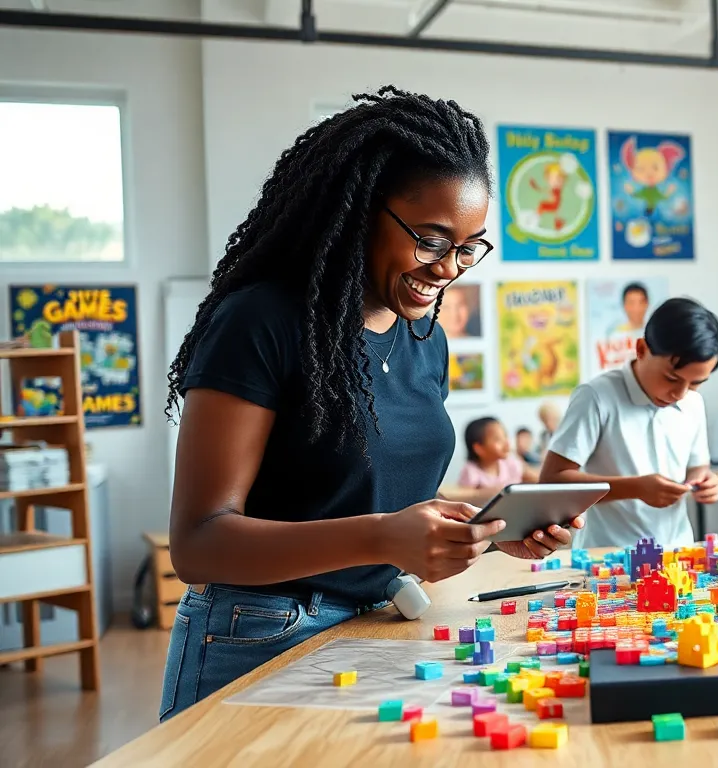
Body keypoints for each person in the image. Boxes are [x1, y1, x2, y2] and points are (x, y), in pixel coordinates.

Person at [158, 87, 583, 722]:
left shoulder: (426, 340)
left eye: (468, 248)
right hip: (257, 632)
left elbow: (379, 500)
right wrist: (383, 536)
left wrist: (490, 534)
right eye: (431, 240)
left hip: (377, 623)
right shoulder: (261, 321)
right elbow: (198, 543)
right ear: (361, 212)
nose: (448, 268)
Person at [540, 297, 718, 549]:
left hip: (677, 552)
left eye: (696, 383)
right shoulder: (596, 397)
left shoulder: (693, 403)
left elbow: (697, 467)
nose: (680, 393)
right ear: (641, 349)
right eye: (671, 378)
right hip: (607, 557)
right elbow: (552, 482)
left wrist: (704, 481)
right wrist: (636, 488)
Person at [458, 417, 539, 489]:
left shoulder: (510, 464)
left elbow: (538, 478)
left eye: (505, 436)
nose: (506, 443)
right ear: (479, 448)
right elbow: (464, 495)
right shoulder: (471, 471)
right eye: (498, 439)